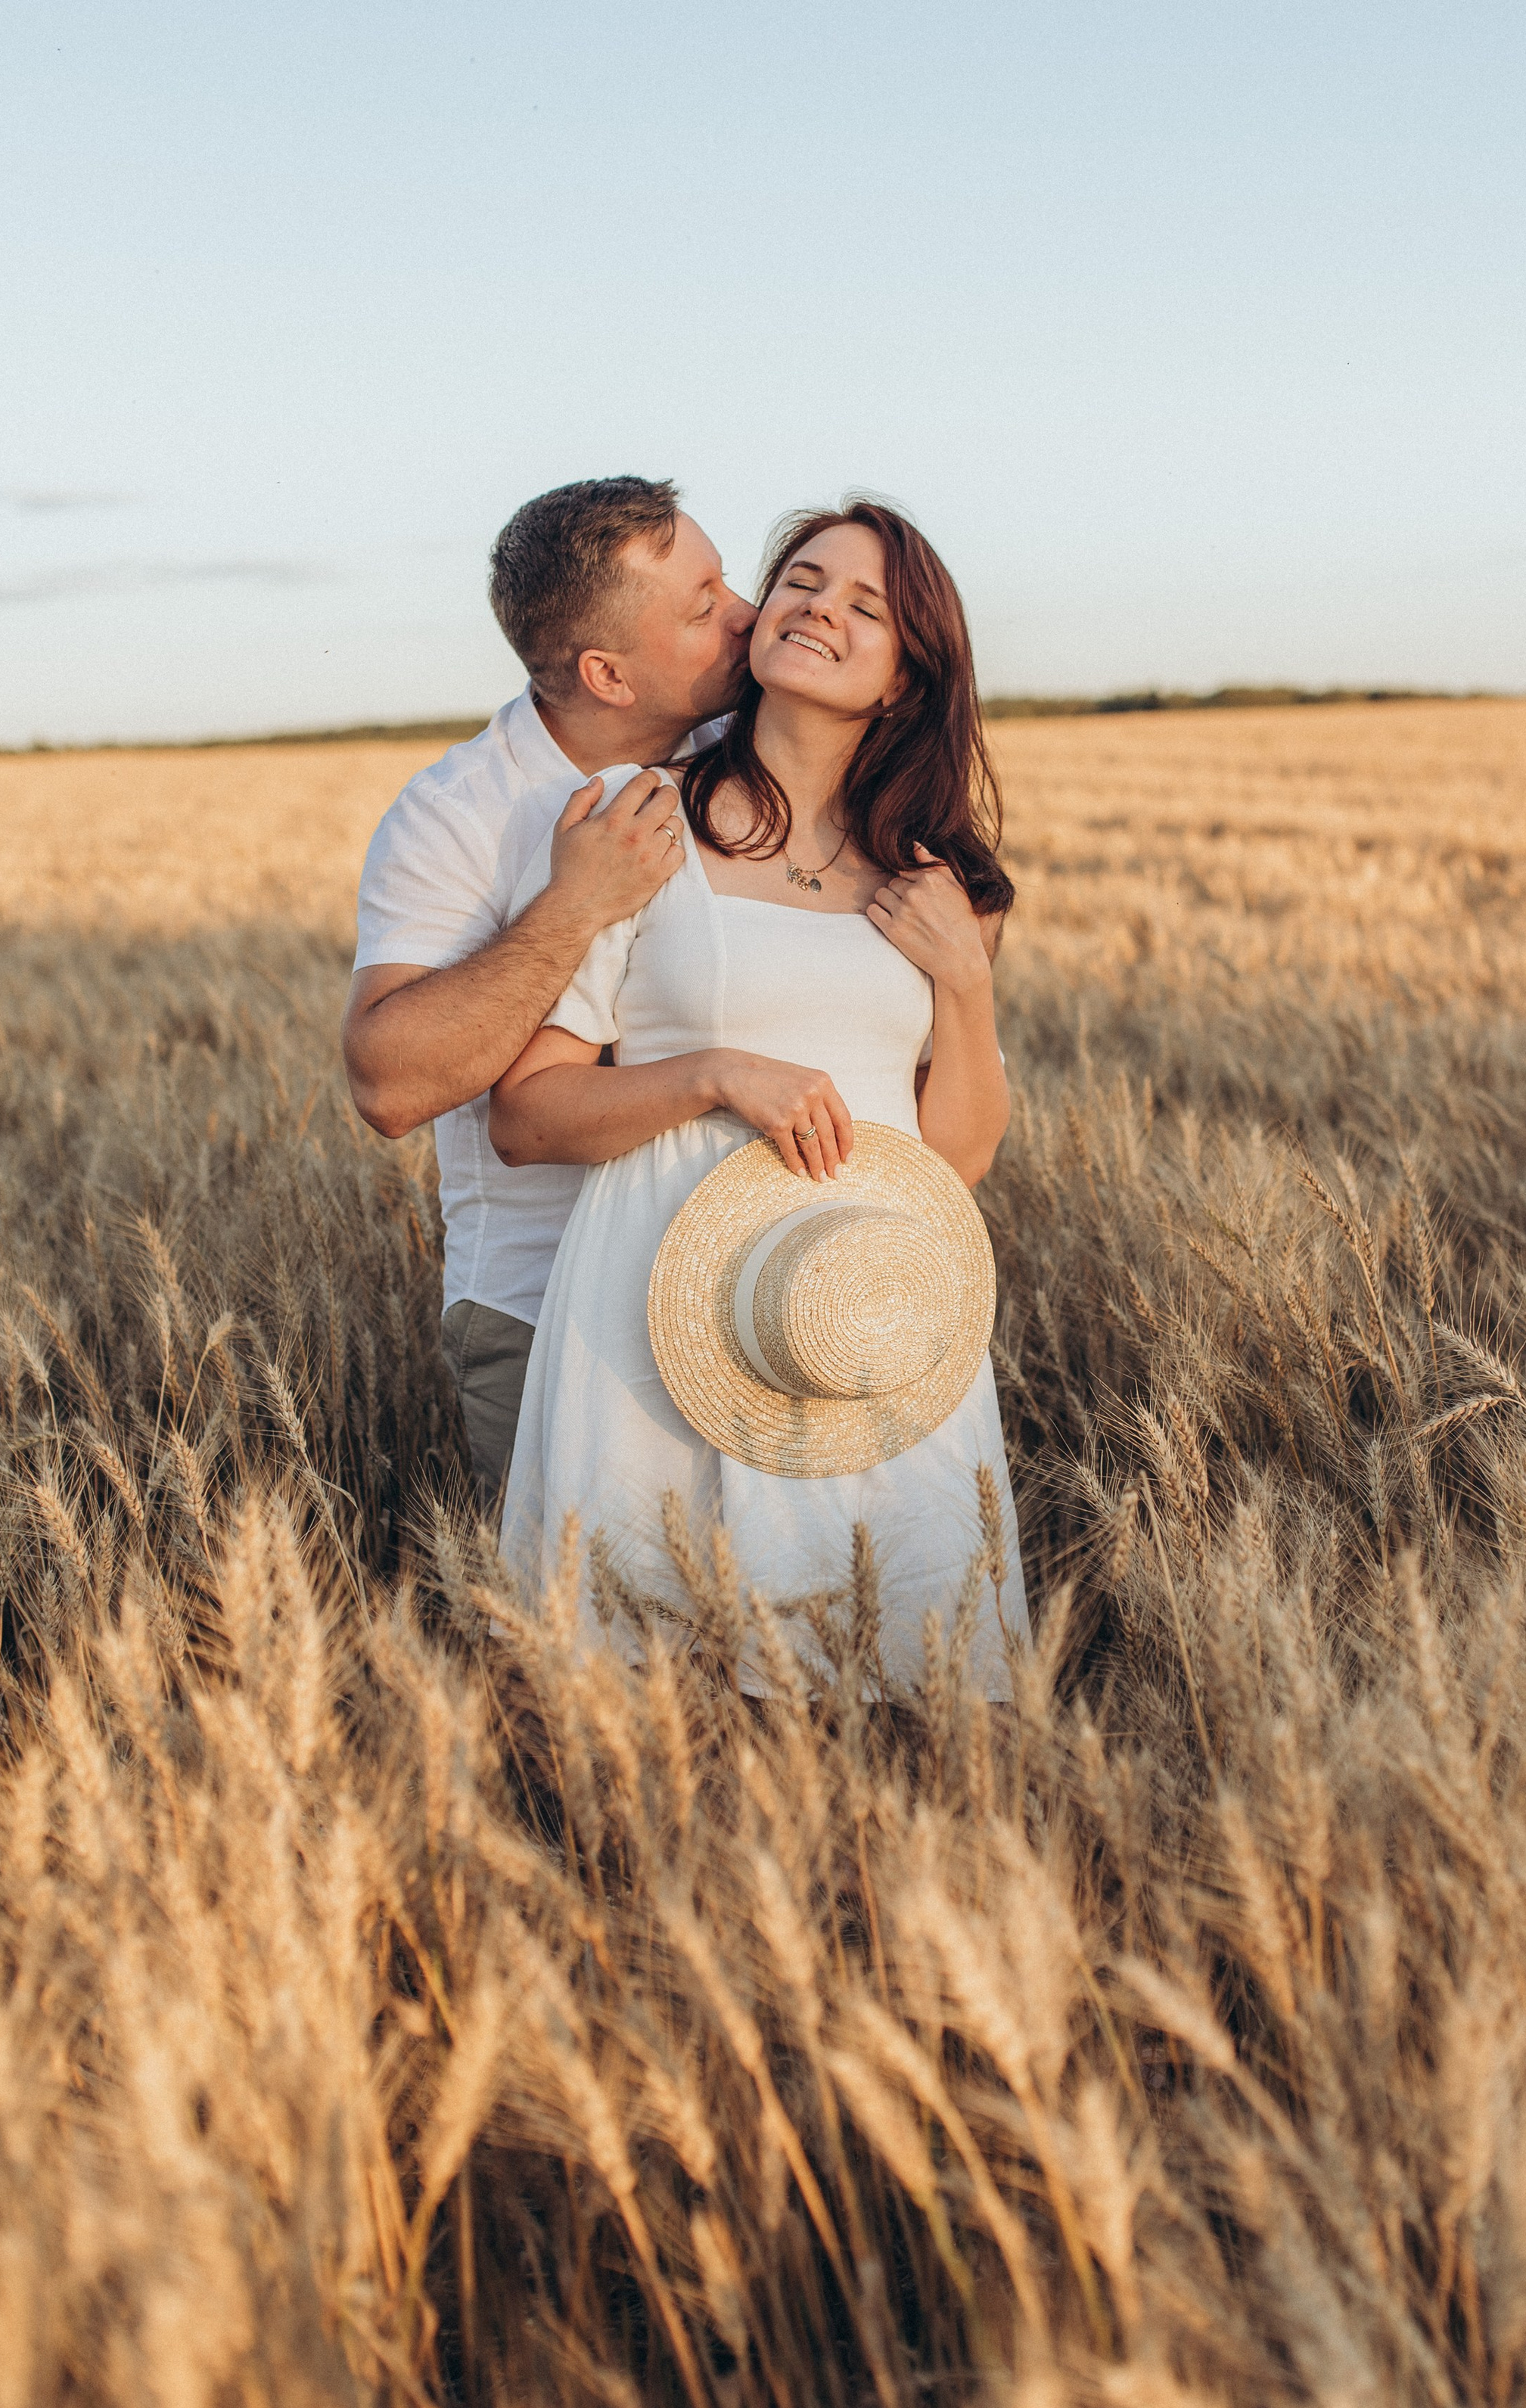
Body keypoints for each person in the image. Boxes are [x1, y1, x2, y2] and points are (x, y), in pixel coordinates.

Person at [487, 499, 1030, 1688]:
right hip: (657, 1298)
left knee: (895, 1688)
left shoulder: (945, 881)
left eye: (865, 606)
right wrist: (715, 1077)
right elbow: (525, 1115)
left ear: (905, 677)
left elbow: (961, 1159)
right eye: (802, 579)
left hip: (870, 1305)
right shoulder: (641, 825)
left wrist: (965, 983)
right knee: (657, 1695)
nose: (817, 609)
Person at [342, 477, 755, 1507]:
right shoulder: (458, 813)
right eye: (704, 606)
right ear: (607, 673)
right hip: (545, 1310)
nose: (747, 614)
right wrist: (576, 908)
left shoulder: (746, 760)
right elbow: (388, 1085)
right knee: (571, 1646)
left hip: (744, 1292)